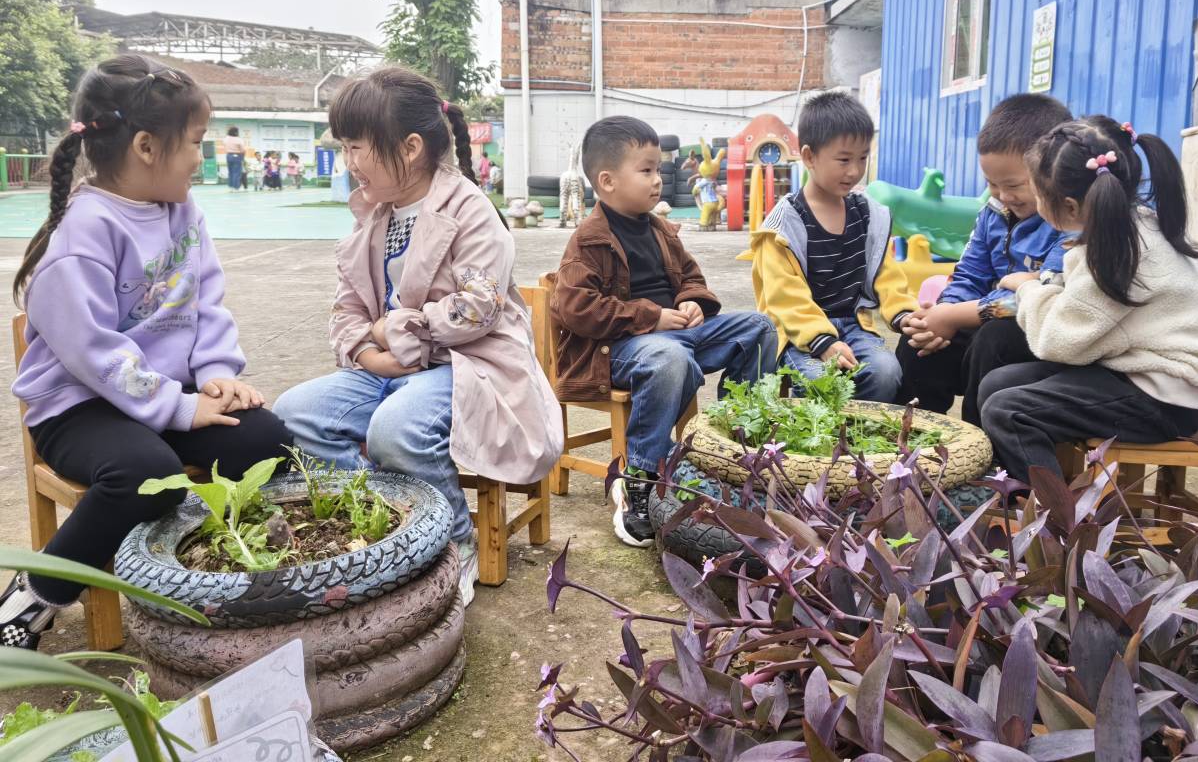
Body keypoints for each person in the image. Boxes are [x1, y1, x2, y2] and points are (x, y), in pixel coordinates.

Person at [0, 55, 290, 650]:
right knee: (144, 474)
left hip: (166, 398)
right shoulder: (79, 236)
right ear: (146, 147)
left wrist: (213, 376)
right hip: (78, 407)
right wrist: (178, 410)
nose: (201, 158)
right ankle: (36, 597)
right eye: (195, 143)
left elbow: (207, 301)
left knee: (266, 439)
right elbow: (92, 352)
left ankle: (214, 568)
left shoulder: (184, 214)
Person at [272, 68, 562, 606]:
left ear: (409, 148)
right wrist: (363, 351)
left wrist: (394, 330)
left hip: (466, 366)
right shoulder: (372, 216)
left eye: (356, 146)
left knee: (396, 429)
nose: (349, 161)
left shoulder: (472, 211)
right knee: (291, 416)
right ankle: (393, 520)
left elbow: (476, 310)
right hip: (386, 369)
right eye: (345, 146)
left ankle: (452, 543)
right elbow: (346, 307)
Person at [551, 116, 778, 548]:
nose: (659, 180)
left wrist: (694, 301)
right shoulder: (588, 240)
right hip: (620, 351)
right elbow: (573, 307)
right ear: (607, 180)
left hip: (678, 337)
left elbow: (692, 277)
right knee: (669, 358)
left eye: (659, 169)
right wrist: (650, 317)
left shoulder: (661, 230)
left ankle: (731, 444)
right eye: (647, 170)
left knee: (759, 327)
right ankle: (640, 478)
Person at [977, 116, 1198, 483]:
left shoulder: (1114, 253)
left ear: (1067, 206)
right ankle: (1029, 494)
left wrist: (1028, 289)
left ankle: (1056, 525)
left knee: (1008, 410)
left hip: (1166, 400)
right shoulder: (1137, 225)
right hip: (1149, 377)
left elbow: (1059, 342)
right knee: (997, 384)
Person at [894, 94, 1074, 423]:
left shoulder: (1072, 218)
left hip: (1047, 339)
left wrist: (955, 316)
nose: (1003, 196)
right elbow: (969, 275)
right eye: (991, 184)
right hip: (985, 322)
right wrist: (942, 315)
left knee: (996, 337)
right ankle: (913, 446)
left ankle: (982, 456)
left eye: (1014, 185)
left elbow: (1049, 294)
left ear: (1052, 169)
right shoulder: (993, 212)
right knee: (917, 343)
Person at [751, 91, 914, 402]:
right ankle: (819, 446)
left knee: (885, 371)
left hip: (854, 324)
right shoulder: (784, 225)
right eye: (843, 159)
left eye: (863, 158)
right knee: (817, 380)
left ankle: (859, 441)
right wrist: (822, 342)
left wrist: (904, 314)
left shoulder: (868, 216)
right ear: (809, 156)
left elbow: (888, 276)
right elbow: (784, 297)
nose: (854, 171)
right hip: (802, 334)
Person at [223, 126, 245, 191]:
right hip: (237, 156)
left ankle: (230, 187)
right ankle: (236, 187)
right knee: (237, 172)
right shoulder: (238, 139)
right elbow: (243, 150)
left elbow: (224, 145)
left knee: (230, 172)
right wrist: (242, 158)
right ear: (236, 132)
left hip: (228, 155)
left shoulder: (226, 138)